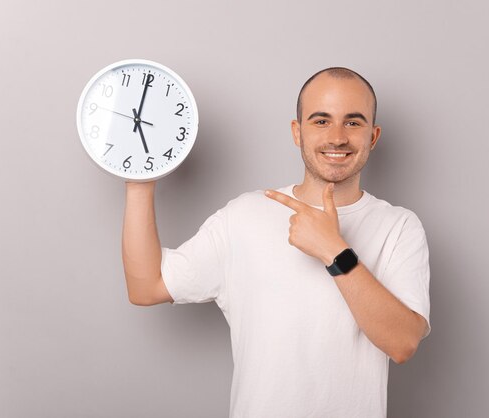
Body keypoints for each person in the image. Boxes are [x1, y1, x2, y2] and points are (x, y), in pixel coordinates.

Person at [122, 67, 431, 418]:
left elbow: (403, 343)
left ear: (372, 136)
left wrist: (335, 251)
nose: (337, 137)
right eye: (320, 121)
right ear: (297, 132)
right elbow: (147, 286)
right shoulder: (244, 215)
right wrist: (139, 181)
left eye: (353, 122)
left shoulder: (400, 226)